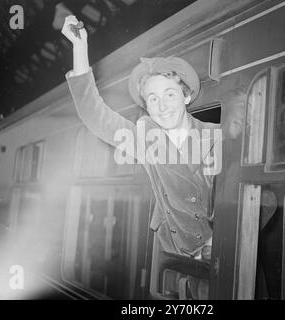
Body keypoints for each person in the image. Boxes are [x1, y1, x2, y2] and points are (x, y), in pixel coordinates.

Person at [61, 16, 222, 260]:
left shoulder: (217, 137)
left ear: (186, 96)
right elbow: (94, 115)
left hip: (224, 258)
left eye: (169, 94)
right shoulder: (146, 141)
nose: (162, 106)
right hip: (178, 263)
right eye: (153, 99)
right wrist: (80, 47)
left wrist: (217, 240)